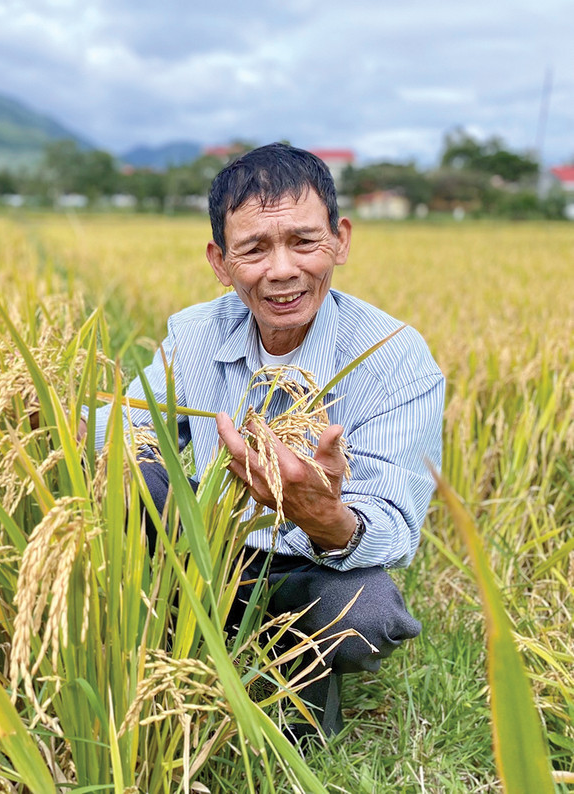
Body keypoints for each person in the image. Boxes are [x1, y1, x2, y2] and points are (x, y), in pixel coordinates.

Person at [89, 142, 445, 739]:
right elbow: (127, 427)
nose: (283, 270)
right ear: (221, 262)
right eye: (254, 248)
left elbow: (393, 526)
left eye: (304, 241)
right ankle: (182, 646)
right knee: (128, 476)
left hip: (309, 567)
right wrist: (39, 414)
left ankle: (297, 665)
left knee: (369, 614)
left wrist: (324, 515)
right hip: (203, 552)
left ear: (341, 240)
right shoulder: (196, 333)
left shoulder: (395, 360)